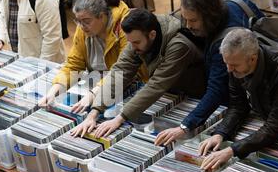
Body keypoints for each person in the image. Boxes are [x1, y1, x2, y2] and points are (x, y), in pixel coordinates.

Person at [154, 0, 264, 146]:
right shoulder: (235, 1)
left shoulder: (224, 46)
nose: (188, 25)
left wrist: (185, 126)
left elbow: (216, 90)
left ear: (209, 16)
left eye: (193, 20)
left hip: (253, 100)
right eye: (185, 18)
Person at [71, 8, 206, 138]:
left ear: (152, 35)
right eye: (130, 42)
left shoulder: (179, 45)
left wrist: (119, 119)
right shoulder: (139, 34)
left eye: (136, 42)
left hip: (195, 97)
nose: (133, 47)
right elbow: (120, 71)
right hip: (172, 95)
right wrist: (93, 113)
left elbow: (156, 85)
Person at [199, 29, 278, 170]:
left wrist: (232, 150)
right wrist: (221, 133)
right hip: (270, 122)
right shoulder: (236, 64)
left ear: (253, 58)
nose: (229, 70)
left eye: (234, 65)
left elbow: (275, 126)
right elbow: (238, 105)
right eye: (226, 63)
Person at [39, 0, 142, 107]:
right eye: (78, 21)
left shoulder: (124, 28)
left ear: (102, 17)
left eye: (86, 22)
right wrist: (53, 91)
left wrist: (93, 94)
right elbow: (74, 64)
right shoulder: (83, 28)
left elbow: (123, 71)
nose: (81, 26)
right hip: (98, 86)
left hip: (127, 86)